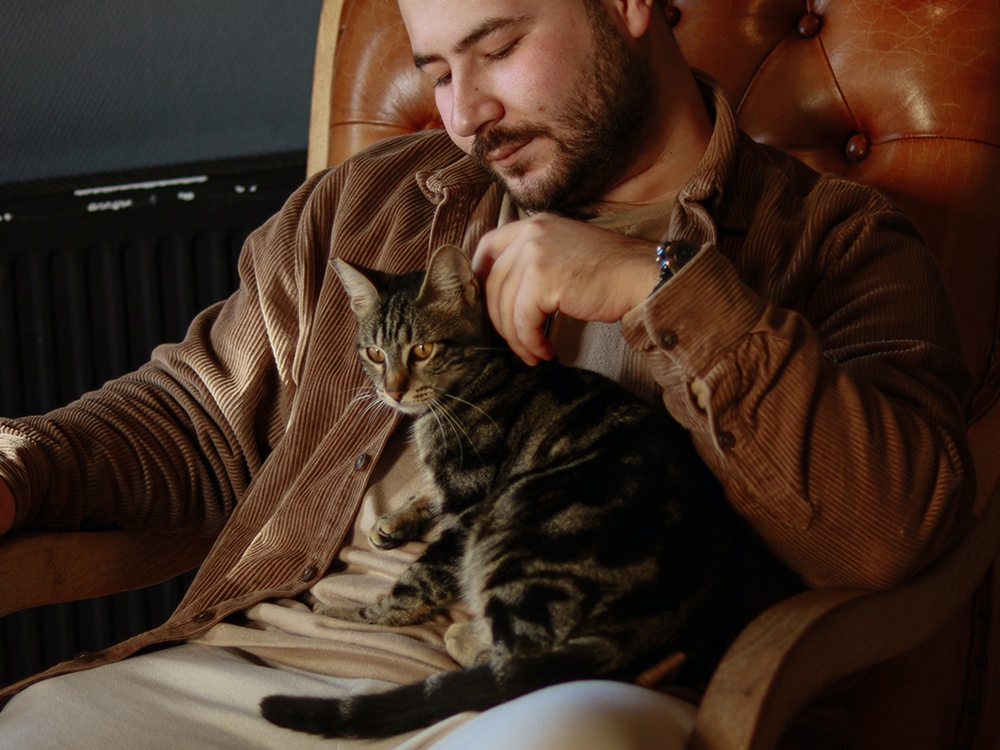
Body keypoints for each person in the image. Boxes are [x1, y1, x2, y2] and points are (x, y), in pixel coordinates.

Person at [0, 0, 974, 747]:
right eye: (435, 69)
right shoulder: (368, 207)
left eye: (498, 47)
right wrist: (19, 465)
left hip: (566, 691)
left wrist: (662, 288)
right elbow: (193, 415)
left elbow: (885, 536)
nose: (466, 115)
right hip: (261, 664)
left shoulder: (832, 242)